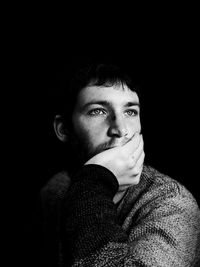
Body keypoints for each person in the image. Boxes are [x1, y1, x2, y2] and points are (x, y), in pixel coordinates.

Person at [36, 57, 200, 266]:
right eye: (98, 111)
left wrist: (92, 185)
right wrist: (92, 184)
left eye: (130, 112)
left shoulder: (171, 203)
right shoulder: (55, 191)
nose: (121, 130)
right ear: (64, 129)